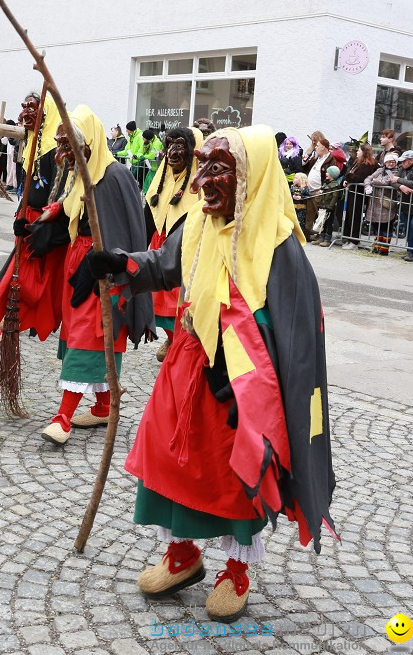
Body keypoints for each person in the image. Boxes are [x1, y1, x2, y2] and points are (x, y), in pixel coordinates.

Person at [86, 124, 336, 625]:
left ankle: (236, 571)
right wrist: (120, 264)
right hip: (187, 361)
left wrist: (257, 389)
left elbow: (297, 338)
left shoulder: (280, 247)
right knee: (167, 455)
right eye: (203, 166)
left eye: (218, 168)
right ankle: (181, 556)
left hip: (242, 387)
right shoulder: (198, 223)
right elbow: (163, 264)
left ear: (253, 175)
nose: (201, 180)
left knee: (232, 473)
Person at [29, 106, 154, 445]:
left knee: (90, 335)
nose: (63, 153)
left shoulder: (114, 177)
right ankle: (102, 406)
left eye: (69, 145)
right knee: (81, 334)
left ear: (89, 143)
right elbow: (71, 209)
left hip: (102, 274)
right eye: (60, 145)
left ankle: (63, 416)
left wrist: (105, 261)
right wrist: (42, 222)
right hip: (76, 263)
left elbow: (129, 232)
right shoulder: (77, 174)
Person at [0, 92, 67, 342]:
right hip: (26, 217)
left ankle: (34, 318)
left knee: (36, 279)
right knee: (20, 274)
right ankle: (14, 317)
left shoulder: (55, 150)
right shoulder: (32, 140)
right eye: (23, 106)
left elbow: (59, 194)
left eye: (32, 107)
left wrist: (43, 225)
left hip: (43, 223)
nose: (26, 111)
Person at [143, 127, 202, 362]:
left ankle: (179, 341)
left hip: (183, 255)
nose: (173, 153)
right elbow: (148, 216)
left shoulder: (201, 186)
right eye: (169, 146)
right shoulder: (162, 181)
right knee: (160, 302)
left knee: (179, 303)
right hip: (160, 248)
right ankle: (172, 337)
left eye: (180, 146)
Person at [341, 143, 378, 250]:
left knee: (355, 217)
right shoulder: (356, 163)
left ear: (364, 152)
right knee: (348, 216)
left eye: (359, 151)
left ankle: (354, 240)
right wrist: (345, 180)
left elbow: (358, 178)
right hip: (351, 193)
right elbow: (349, 174)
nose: (357, 152)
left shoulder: (367, 165)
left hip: (359, 194)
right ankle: (348, 238)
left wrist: (348, 178)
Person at [364, 152, 400, 255]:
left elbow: (387, 181)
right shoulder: (380, 170)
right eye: (388, 161)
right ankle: (377, 246)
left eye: (393, 161)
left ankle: (384, 249)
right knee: (376, 224)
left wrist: (373, 181)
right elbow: (368, 178)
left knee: (386, 225)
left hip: (386, 202)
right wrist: (367, 185)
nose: (391, 163)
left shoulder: (395, 172)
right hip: (375, 203)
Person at [300, 135, 334, 241]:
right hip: (310, 191)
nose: (315, 147)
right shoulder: (316, 158)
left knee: (320, 215)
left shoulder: (330, 160)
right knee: (309, 215)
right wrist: (308, 153)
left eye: (317, 145)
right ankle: (307, 234)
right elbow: (304, 165)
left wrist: (323, 188)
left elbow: (331, 176)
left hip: (319, 191)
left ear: (323, 147)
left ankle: (320, 235)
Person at [313, 164, 343, 247]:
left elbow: (335, 196)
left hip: (329, 208)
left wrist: (330, 206)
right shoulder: (326, 183)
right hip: (323, 206)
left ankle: (327, 239)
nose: (326, 173)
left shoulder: (335, 185)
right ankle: (321, 238)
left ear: (332, 175)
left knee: (329, 224)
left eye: (328, 172)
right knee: (322, 223)